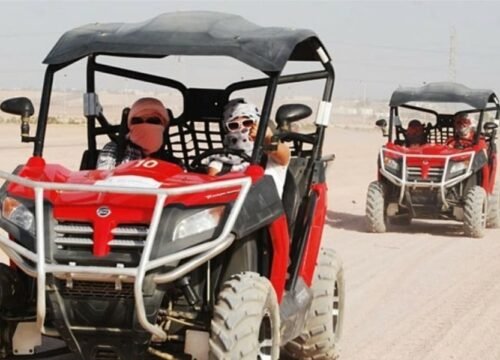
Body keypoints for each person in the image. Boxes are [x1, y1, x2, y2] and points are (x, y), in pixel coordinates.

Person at [207, 99, 291, 197]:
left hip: (267, 210)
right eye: (234, 125)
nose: (242, 129)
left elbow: (284, 156)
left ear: (257, 124)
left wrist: (267, 138)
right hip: (230, 209)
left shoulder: (269, 157)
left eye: (248, 123)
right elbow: (212, 194)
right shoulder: (219, 162)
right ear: (227, 130)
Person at [96, 97, 180, 169]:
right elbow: (104, 180)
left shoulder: (174, 164)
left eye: (153, 121)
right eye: (137, 121)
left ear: (163, 126)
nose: (145, 125)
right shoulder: (113, 151)